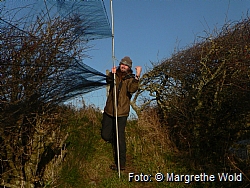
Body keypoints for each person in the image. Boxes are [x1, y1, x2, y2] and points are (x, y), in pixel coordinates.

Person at [101, 56, 142, 171]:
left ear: (129, 68)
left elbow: (132, 89)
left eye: (126, 65)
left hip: (122, 113)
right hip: (109, 110)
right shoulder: (115, 75)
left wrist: (138, 76)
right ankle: (113, 138)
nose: (123, 66)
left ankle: (121, 164)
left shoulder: (130, 78)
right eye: (122, 64)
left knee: (120, 138)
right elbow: (108, 81)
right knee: (105, 135)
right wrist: (111, 74)